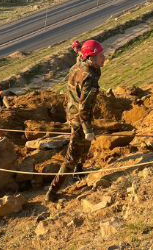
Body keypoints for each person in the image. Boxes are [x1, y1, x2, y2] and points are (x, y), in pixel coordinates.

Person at [46, 39, 104, 202]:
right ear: (91, 58)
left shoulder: (77, 66)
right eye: (100, 55)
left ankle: (79, 172)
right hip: (79, 118)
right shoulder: (90, 77)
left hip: (71, 112)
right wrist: (87, 130)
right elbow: (84, 107)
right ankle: (52, 191)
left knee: (85, 145)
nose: (104, 57)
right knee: (72, 154)